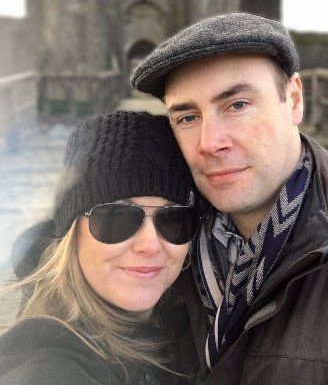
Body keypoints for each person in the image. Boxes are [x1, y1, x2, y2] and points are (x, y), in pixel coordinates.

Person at [130, 12, 328, 384]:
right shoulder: (161, 249)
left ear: (294, 100)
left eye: (237, 105)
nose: (210, 143)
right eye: (188, 117)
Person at [0, 111, 201, 385]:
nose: (150, 245)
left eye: (173, 219)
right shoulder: (47, 369)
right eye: (117, 217)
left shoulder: (194, 321)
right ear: (71, 234)